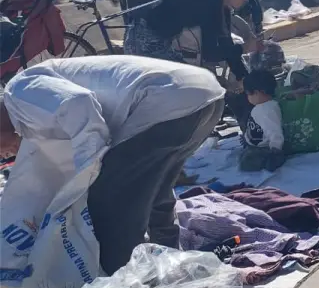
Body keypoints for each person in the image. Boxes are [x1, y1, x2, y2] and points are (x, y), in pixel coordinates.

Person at [0, 56, 226, 276]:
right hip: (204, 97)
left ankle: (119, 286)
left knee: (111, 205)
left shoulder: (19, 91)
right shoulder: (24, 105)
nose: (3, 155)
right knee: (155, 189)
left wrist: (89, 171)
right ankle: (171, 263)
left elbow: (79, 104)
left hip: (165, 102)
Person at [125, 0, 255, 83]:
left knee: (192, 79)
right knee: (187, 82)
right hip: (142, 37)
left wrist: (245, 78)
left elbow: (226, 45)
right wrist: (243, 48)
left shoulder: (221, 7)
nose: (246, 0)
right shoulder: (208, 3)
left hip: (162, 39)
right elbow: (210, 54)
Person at [239, 69, 287, 172]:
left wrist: (275, 149)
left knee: (247, 163)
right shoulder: (261, 107)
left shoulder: (267, 110)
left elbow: (275, 131)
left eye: (248, 94)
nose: (248, 98)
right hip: (255, 142)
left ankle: (272, 161)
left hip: (264, 148)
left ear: (258, 93)